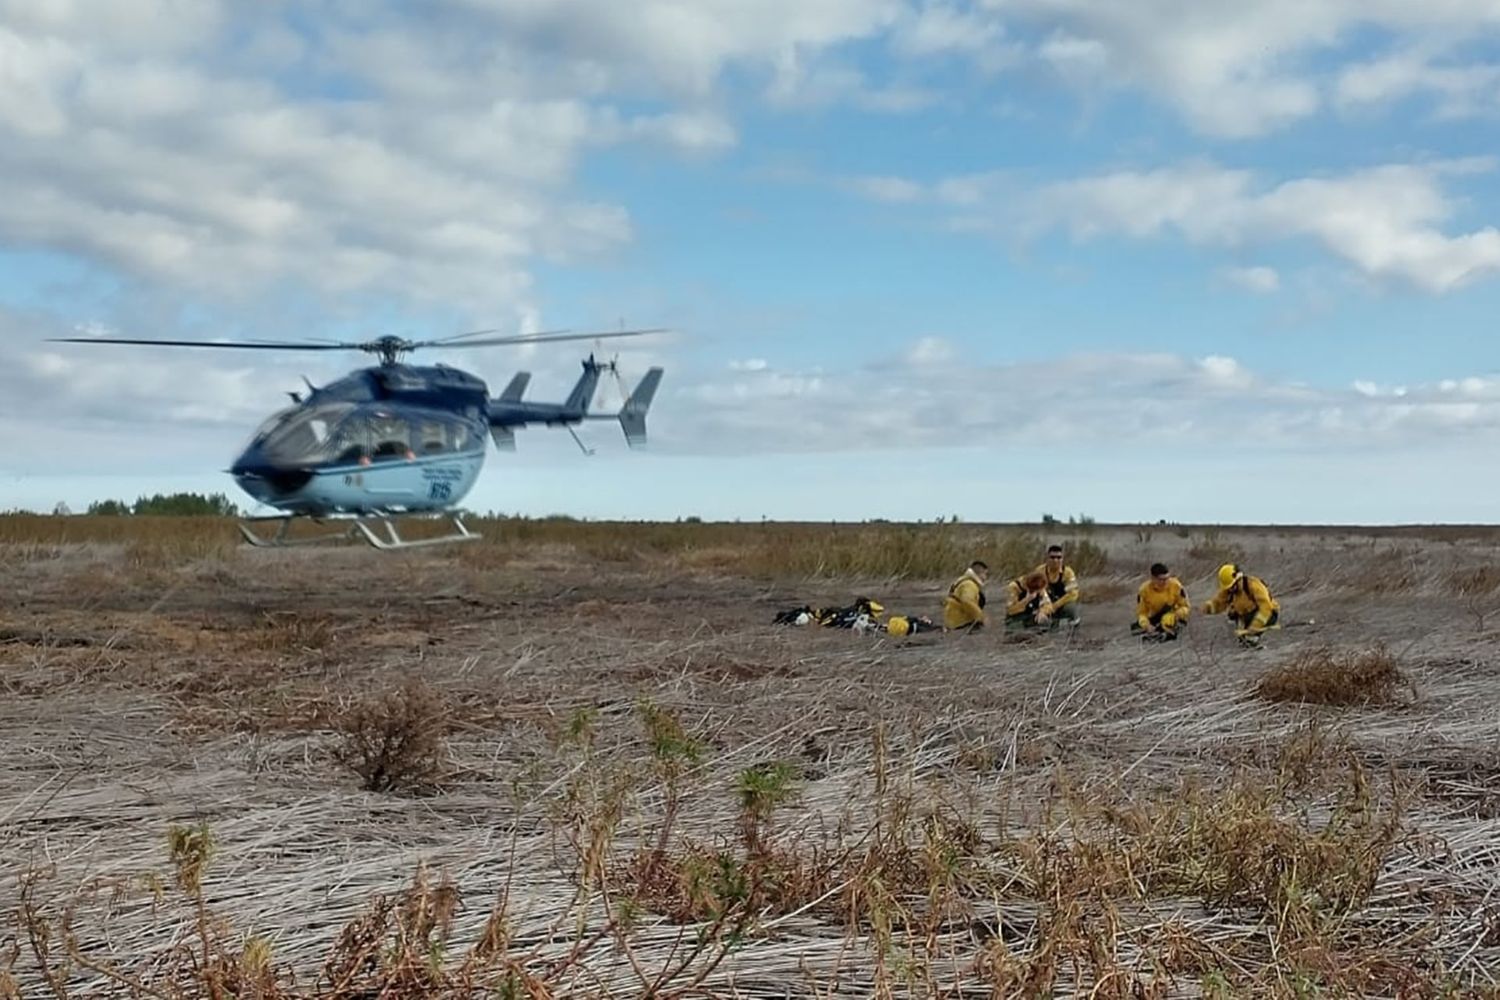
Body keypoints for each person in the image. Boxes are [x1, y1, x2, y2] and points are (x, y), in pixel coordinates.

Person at [1202, 563, 1280, 646]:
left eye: (1232, 586)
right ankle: (1246, 637)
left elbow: (1266, 607)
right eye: (1228, 588)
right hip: (1247, 616)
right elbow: (1219, 603)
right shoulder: (1230, 590)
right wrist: (1208, 608)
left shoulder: (1253, 585)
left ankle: (1253, 638)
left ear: (1238, 579)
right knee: (1232, 614)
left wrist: (1256, 625)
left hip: (1267, 614)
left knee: (1250, 640)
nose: (1230, 589)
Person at [1132, 562, 1190, 640]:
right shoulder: (1144, 590)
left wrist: (1175, 615)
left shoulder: (1176, 586)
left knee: (1174, 626)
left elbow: (1185, 607)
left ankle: (1167, 634)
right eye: (1161, 579)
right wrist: (1147, 625)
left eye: (1167, 578)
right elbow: (1142, 613)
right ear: (1153, 578)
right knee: (1136, 630)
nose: (1165, 582)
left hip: (1173, 615)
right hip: (1155, 617)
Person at [1032, 544, 1081, 628]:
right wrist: (1044, 609)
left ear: (1062, 559)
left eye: (1059, 557)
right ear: (1047, 558)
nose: (1055, 560)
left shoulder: (1068, 572)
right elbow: (1035, 591)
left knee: (1072, 608)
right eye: (1052, 557)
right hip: (1044, 603)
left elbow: (1073, 594)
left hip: (1062, 603)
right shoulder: (1040, 571)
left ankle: (1074, 629)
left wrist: (1055, 606)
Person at [943, 560, 989, 631]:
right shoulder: (969, 585)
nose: (985, 578)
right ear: (980, 573)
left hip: (953, 619)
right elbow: (967, 601)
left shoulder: (962, 581)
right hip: (960, 621)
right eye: (985, 574)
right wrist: (981, 617)